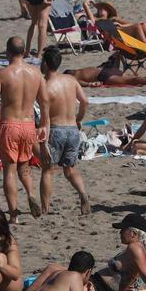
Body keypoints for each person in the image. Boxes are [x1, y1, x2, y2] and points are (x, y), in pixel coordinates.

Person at [0, 37, 49, 223]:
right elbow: (44, 102)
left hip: (10, 125)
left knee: (9, 171)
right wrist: (44, 125)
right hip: (28, 125)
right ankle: (30, 193)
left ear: (7, 52)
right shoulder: (36, 73)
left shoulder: (2, 74)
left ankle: (13, 216)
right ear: (24, 52)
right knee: (24, 166)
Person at [39, 47, 91, 216]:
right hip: (73, 130)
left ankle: (45, 209)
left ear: (45, 64)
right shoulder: (70, 80)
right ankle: (83, 194)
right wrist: (78, 119)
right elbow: (85, 101)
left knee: (48, 170)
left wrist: (44, 143)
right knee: (70, 169)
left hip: (56, 130)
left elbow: (45, 118)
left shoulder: (46, 87)